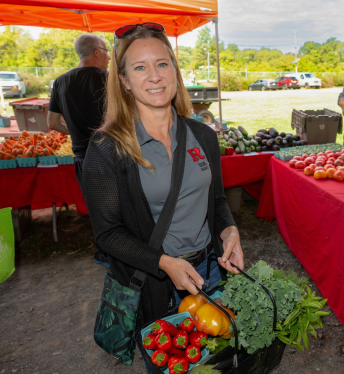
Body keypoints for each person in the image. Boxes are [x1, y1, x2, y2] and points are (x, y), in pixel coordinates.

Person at [81, 23, 244, 372]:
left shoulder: (202, 134)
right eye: (140, 67)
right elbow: (107, 234)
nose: (154, 76)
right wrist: (165, 263)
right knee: (173, 364)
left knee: (219, 362)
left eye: (162, 64)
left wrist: (229, 230)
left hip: (210, 272)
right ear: (123, 80)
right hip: (155, 283)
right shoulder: (107, 149)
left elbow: (215, 201)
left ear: (174, 69)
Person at [47, 33, 111, 268]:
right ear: (97, 52)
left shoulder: (60, 81)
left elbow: (53, 123)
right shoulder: (108, 79)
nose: (108, 57)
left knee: (98, 209)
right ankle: (127, 253)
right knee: (122, 206)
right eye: (106, 51)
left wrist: (75, 132)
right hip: (111, 152)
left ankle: (105, 253)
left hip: (83, 156)